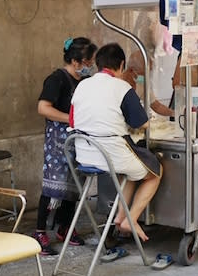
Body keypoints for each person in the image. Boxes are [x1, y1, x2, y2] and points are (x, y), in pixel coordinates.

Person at [70, 43, 162, 242]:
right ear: (121, 65)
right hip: (112, 155)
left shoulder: (82, 85)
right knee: (154, 171)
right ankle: (132, 219)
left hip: (85, 156)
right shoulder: (122, 87)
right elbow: (144, 124)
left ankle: (121, 216)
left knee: (131, 170)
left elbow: (72, 121)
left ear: (97, 64)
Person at [33, 37, 97, 256]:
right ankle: (40, 232)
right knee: (54, 187)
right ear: (77, 62)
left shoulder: (83, 82)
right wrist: (69, 119)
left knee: (73, 186)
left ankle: (64, 227)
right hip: (58, 141)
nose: (91, 65)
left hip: (76, 140)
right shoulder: (56, 79)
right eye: (89, 61)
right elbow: (43, 108)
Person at [123, 49, 175, 118]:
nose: (144, 77)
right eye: (142, 73)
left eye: (148, 73)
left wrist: (174, 113)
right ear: (131, 70)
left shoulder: (141, 86)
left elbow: (157, 106)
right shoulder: (118, 83)